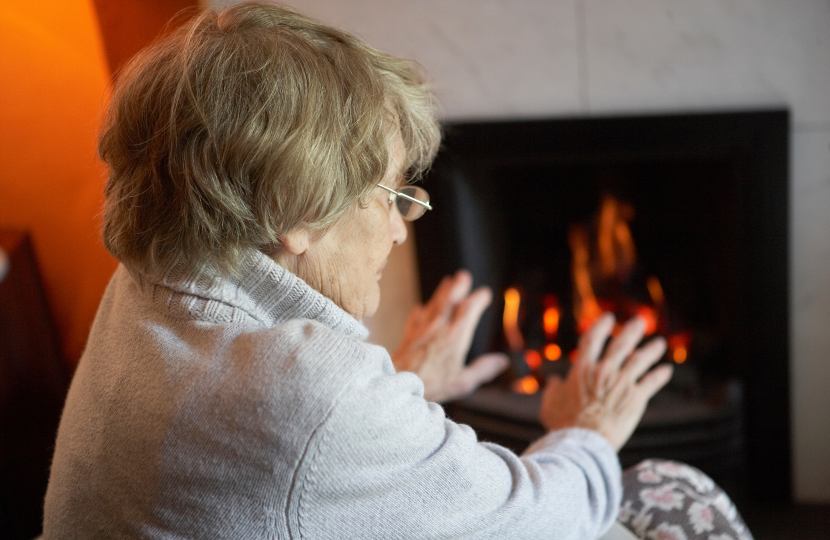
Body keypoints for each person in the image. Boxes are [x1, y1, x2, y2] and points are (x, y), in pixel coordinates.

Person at [42, 3, 751, 539]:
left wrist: (396, 386)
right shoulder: (309, 392)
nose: (405, 221)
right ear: (294, 210)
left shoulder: (148, 281)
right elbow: (539, 521)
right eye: (391, 193)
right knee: (672, 487)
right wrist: (586, 426)